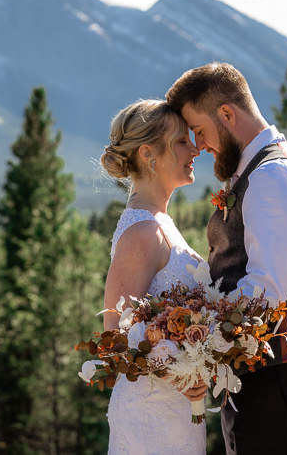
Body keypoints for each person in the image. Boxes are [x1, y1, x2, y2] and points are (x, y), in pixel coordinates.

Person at [166, 62, 287, 455]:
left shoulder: (273, 176)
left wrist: (197, 349)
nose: (199, 145)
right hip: (263, 376)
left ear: (227, 114)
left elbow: (265, 292)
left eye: (200, 130)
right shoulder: (256, 170)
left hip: (284, 378)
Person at [99, 98, 207, 455]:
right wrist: (175, 372)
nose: (195, 150)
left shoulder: (160, 222)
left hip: (175, 409)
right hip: (151, 418)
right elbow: (115, 336)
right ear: (148, 154)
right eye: (182, 141)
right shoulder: (144, 233)